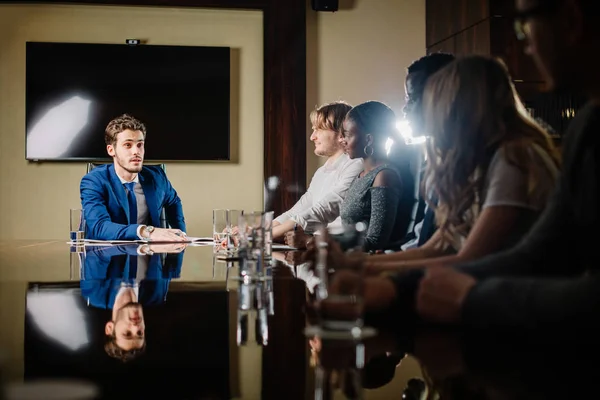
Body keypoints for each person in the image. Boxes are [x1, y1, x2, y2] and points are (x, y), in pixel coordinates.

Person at [355, 0, 600, 329]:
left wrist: (397, 285)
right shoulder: (587, 124)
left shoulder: (515, 156)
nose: (523, 43)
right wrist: (376, 274)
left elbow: (503, 260)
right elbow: (536, 250)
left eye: (524, 22)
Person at [354, 55, 559, 274]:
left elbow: (469, 259)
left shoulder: (513, 158)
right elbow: (437, 248)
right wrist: (356, 265)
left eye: (437, 101)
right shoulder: (478, 162)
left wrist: (375, 275)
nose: (433, 111)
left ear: (463, 106)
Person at [80, 114, 187, 241]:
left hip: (149, 254)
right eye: (128, 145)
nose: (136, 151)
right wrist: (145, 231)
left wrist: (181, 236)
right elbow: (99, 227)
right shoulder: (94, 181)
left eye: (140, 145)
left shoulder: (156, 177)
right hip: (107, 257)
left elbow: (173, 201)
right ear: (111, 150)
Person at [274, 101, 363, 248]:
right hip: (316, 248)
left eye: (319, 129)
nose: (312, 137)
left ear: (341, 132)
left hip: (339, 252)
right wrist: (257, 231)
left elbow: (324, 209)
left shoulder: (356, 164)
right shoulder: (321, 172)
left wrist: (262, 236)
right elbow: (298, 210)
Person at [336, 101, 415, 252]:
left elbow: (374, 241)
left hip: (368, 266)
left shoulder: (384, 176)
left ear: (368, 140)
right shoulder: (362, 174)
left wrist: (323, 243)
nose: (342, 140)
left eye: (348, 134)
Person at [401, 52, 456, 249]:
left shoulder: (488, 161)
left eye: (412, 99)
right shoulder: (436, 159)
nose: (404, 109)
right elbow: (423, 243)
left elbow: (441, 250)